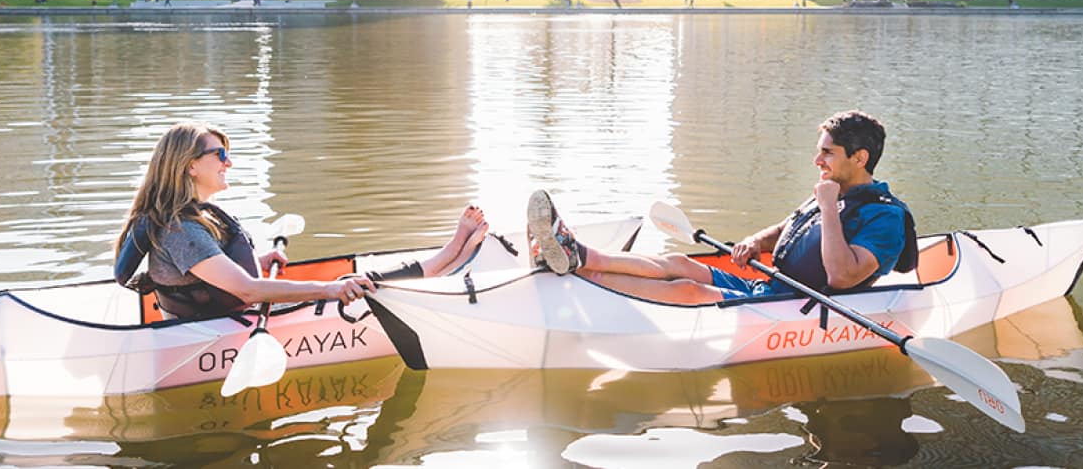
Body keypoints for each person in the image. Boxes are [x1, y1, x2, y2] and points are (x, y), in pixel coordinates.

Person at [527, 110, 916, 304]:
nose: (818, 163)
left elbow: (843, 277)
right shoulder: (832, 190)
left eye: (827, 154)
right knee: (679, 263)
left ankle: (581, 282)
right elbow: (788, 228)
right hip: (768, 284)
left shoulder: (886, 218)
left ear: (860, 157)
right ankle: (577, 254)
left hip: (795, 303)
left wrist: (829, 210)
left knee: (688, 289)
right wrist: (752, 241)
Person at [114, 121, 489, 318]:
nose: (229, 162)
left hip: (217, 314)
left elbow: (202, 275)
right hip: (215, 329)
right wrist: (327, 291)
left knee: (344, 281)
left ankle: (445, 259)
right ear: (191, 166)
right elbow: (247, 291)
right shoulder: (182, 229)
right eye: (221, 154)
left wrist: (258, 264)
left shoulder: (183, 221)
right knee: (346, 283)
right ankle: (445, 260)